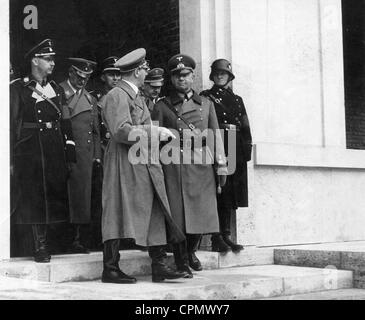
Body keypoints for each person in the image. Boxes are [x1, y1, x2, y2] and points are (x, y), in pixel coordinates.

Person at [100, 48, 187, 283]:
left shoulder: (135, 96)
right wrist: (155, 131)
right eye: (145, 68)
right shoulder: (118, 95)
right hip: (123, 161)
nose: (147, 71)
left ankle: (159, 264)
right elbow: (120, 131)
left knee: (156, 206)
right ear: (138, 71)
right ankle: (110, 268)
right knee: (116, 210)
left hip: (142, 159)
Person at [153, 54, 228, 278]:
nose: (181, 79)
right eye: (176, 76)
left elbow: (215, 135)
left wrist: (221, 163)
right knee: (178, 215)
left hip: (202, 164)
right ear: (172, 79)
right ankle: (181, 261)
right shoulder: (163, 106)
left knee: (201, 213)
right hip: (174, 164)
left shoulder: (206, 104)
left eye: (185, 75)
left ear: (193, 76)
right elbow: (154, 139)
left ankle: (191, 251)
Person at [10, 39, 76, 262]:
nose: (52, 63)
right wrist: (9, 157)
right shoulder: (18, 88)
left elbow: (65, 122)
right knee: (35, 197)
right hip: (30, 148)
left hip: (53, 146)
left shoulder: (56, 88)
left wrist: (69, 153)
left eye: (53, 59)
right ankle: (39, 246)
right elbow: (11, 123)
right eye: (48, 59)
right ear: (35, 61)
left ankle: (52, 242)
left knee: (53, 194)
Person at [201, 59, 252, 253]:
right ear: (212, 76)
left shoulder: (237, 100)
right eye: (217, 73)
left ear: (229, 77)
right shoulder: (206, 97)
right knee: (218, 189)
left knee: (231, 193)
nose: (220, 76)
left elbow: (245, 125)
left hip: (235, 145)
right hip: (218, 142)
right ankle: (216, 237)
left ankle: (227, 235)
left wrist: (246, 149)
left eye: (224, 74)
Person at [59, 58, 101, 253]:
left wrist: (96, 155)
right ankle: (66, 239)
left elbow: (95, 131)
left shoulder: (90, 99)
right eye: (79, 76)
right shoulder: (59, 91)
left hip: (85, 155)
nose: (82, 81)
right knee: (67, 196)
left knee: (84, 197)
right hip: (66, 152)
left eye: (86, 78)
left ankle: (80, 239)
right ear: (71, 73)